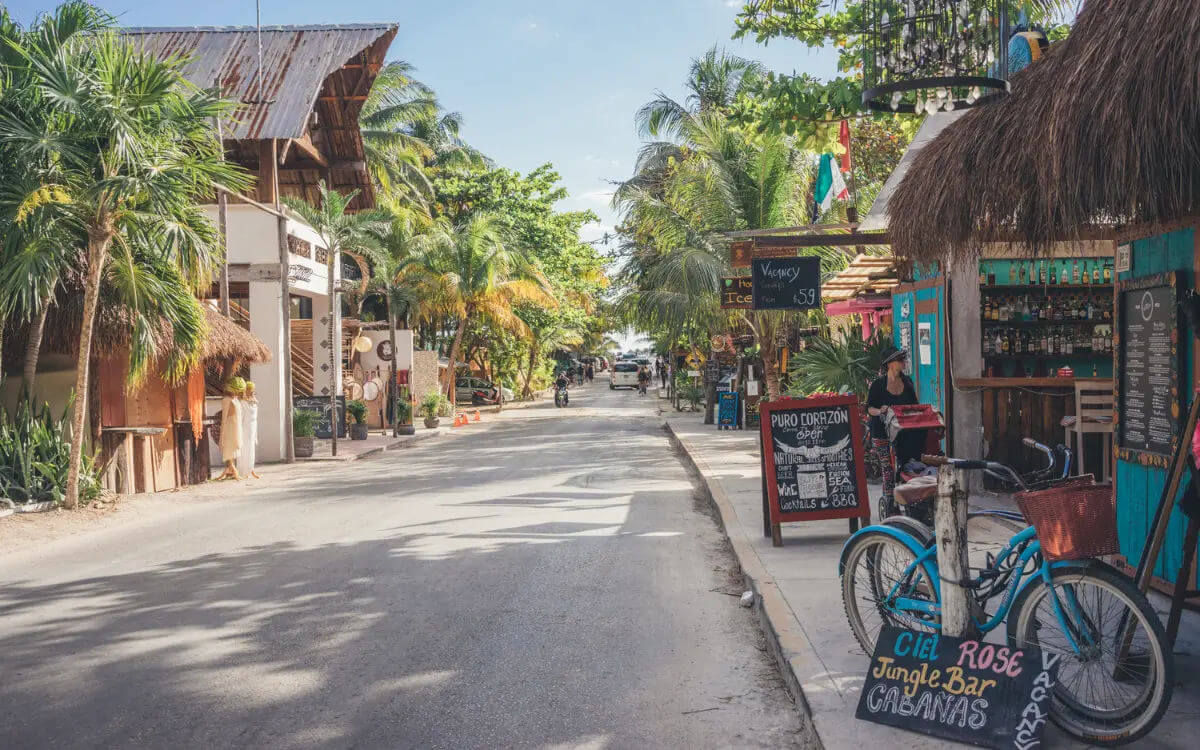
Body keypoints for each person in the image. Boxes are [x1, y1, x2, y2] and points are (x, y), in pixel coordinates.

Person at [866, 348, 918, 518]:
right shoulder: (878, 385)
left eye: (903, 359)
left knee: (906, 467)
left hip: (903, 432)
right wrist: (880, 411)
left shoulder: (907, 382)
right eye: (899, 360)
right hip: (881, 432)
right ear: (889, 364)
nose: (903, 362)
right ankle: (889, 504)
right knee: (888, 470)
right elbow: (870, 408)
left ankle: (908, 500)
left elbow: (915, 406)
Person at [217, 377, 245, 481]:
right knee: (228, 449)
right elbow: (224, 418)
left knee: (232, 449)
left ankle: (230, 470)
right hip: (229, 427)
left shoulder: (236, 400)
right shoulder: (226, 400)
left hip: (235, 427)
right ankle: (233, 470)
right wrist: (222, 435)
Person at [238, 381, 261, 480]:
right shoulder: (243, 402)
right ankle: (244, 471)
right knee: (245, 449)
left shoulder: (254, 401)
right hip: (245, 427)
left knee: (251, 449)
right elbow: (241, 417)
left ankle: (251, 469)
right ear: (245, 390)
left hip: (253, 427)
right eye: (249, 390)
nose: (251, 392)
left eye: (252, 390)